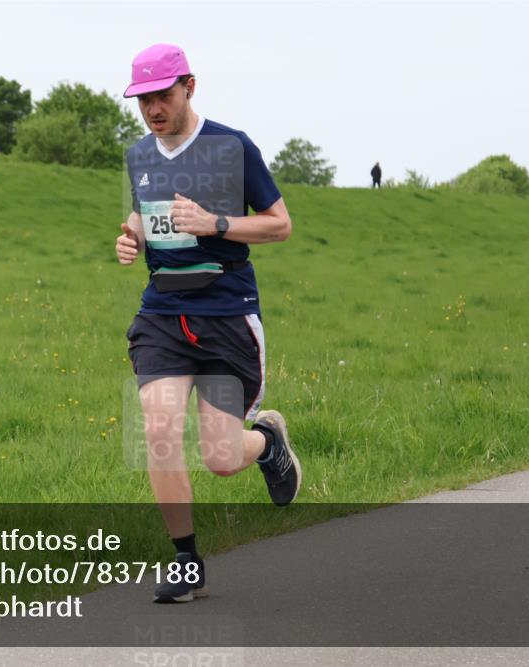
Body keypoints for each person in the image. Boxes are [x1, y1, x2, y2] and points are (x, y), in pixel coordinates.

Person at [115, 43, 303, 603]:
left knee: (221, 459)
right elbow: (144, 210)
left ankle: (266, 442)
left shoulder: (231, 147)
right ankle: (185, 561)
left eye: (163, 96)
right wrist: (132, 237)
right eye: (143, 100)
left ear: (189, 87)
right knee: (158, 429)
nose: (153, 109)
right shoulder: (138, 155)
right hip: (162, 313)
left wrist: (215, 223)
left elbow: (280, 224)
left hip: (225, 314)